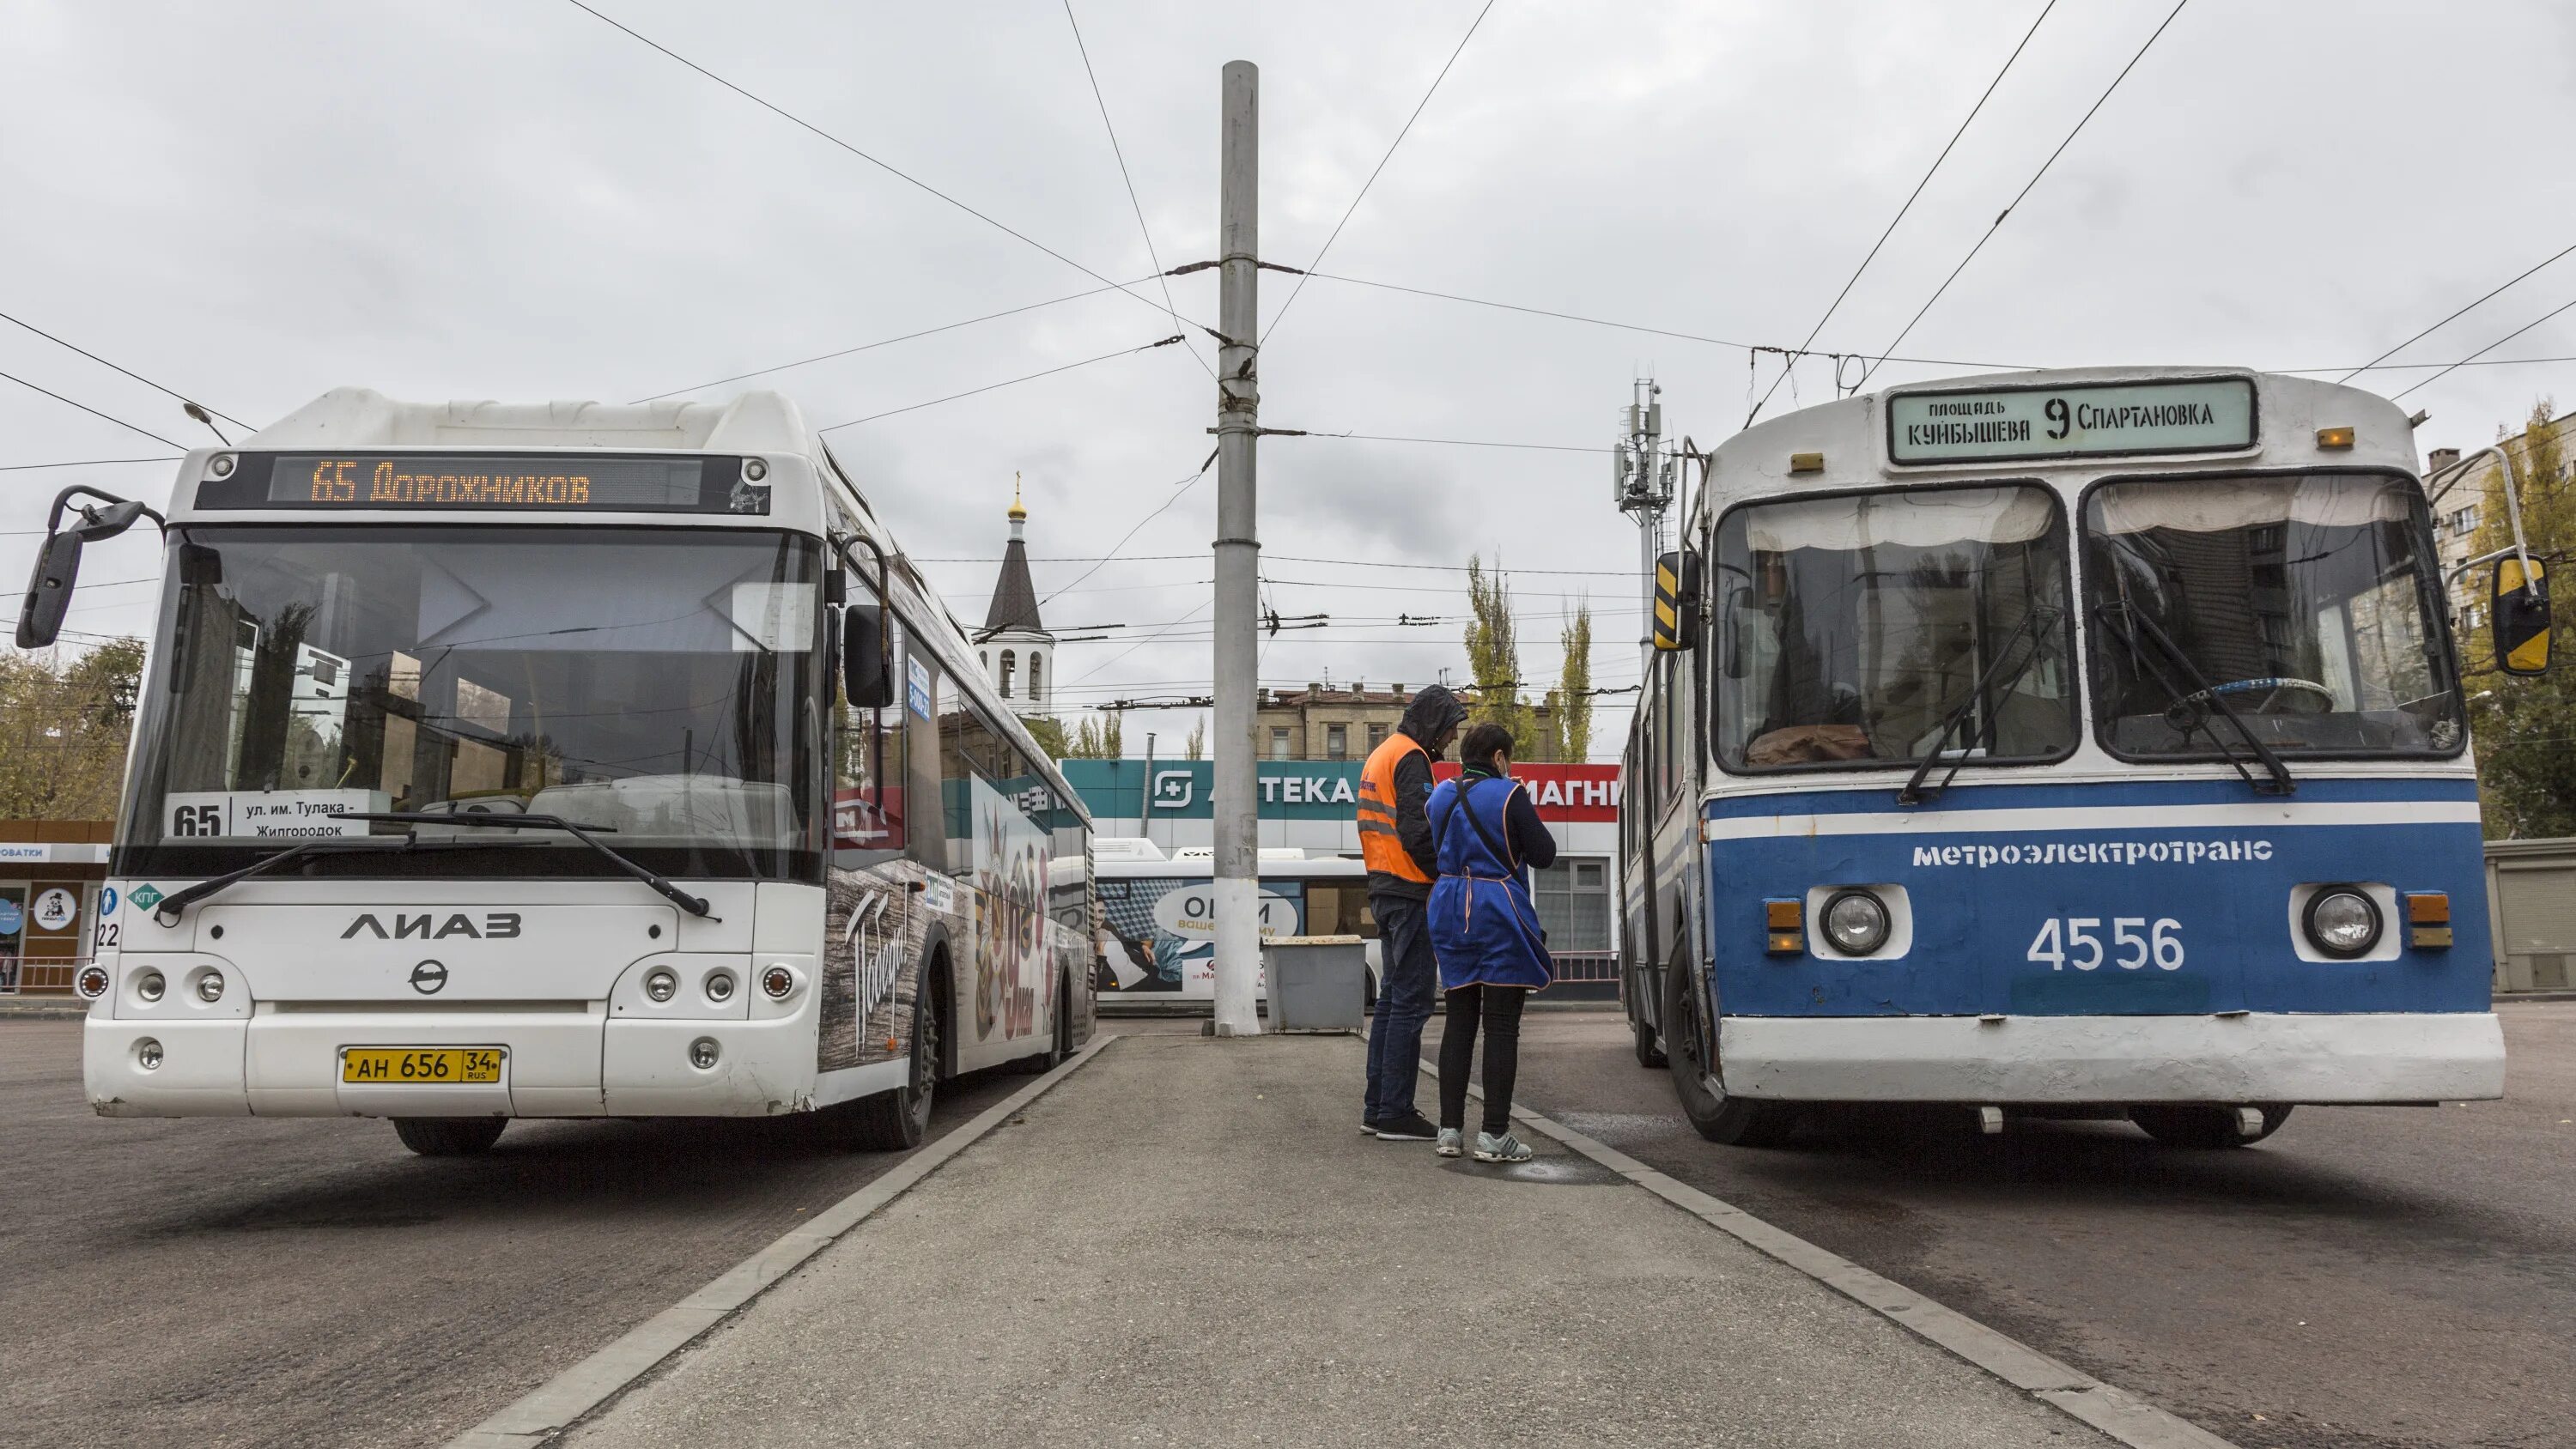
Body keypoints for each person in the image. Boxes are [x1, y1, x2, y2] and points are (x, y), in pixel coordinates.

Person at [1427, 721, 1556, 1163]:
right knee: (1501, 1024)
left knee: (1459, 1020)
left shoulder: (1440, 795)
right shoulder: (1509, 794)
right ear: (1500, 758)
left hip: (1447, 906)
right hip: (1496, 907)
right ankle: (1495, 1136)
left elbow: (1430, 849)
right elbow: (1544, 853)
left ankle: (1448, 1132)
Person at [1357, 684, 1465, 1141]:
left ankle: (1378, 1109)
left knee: (1390, 1002)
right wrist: (1443, 874)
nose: (1450, 740)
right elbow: (1418, 830)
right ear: (1432, 723)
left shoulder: (1383, 752)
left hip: (1384, 888)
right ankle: (1396, 1113)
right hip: (1410, 891)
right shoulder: (1411, 757)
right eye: (1448, 729)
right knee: (1412, 1002)